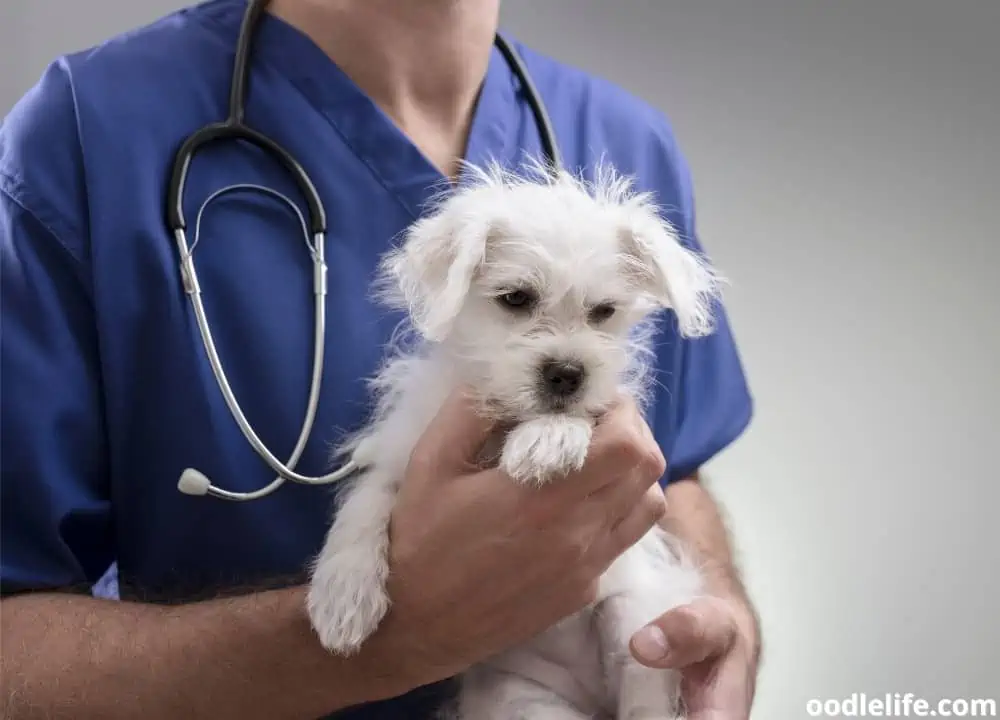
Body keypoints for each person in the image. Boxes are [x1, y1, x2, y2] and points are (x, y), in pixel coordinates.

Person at [0, 0, 760, 718]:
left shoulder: (627, 141)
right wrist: (394, 640)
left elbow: (671, 464)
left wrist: (717, 624)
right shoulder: (88, 131)